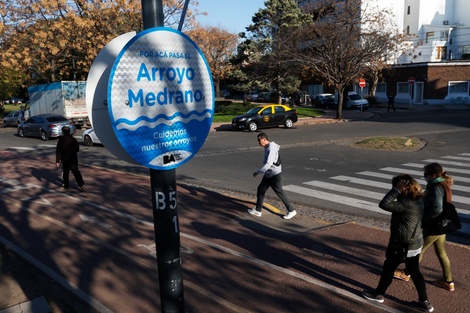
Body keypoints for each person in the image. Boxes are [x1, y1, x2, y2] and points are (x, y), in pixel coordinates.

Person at [362, 174, 434, 312]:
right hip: (415, 242)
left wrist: (396, 190)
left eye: (396, 185)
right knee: (414, 271)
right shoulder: (418, 199)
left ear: (403, 187)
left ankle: (378, 294)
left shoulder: (405, 202)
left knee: (389, 267)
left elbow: (384, 204)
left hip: (402, 244)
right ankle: (424, 302)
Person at [394, 163, 455, 292]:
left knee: (419, 249)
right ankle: (448, 281)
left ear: (433, 175)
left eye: (425, 175)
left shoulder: (436, 187)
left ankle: (406, 273)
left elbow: (437, 208)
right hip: (442, 225)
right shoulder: (443, 184)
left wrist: (423, 218)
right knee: (441, 252)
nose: (424, 177)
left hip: (434, 225)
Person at [247, 132, 297, 219]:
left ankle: (291, 210)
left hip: (274, 174)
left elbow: (268, 163)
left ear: (264, 139)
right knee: (261, 189)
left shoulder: (271, 148)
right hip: (269, 173)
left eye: (259, 140)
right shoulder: (268, 147)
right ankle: (258, 211)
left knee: (279, 192)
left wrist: (258, 171)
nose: (258, 142)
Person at [56, 126, 85, 192]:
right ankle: (81, 185)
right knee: (76, 172)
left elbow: (58, 151)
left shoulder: (61, 140)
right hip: (73, 159)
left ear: (62, 132)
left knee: (66, 173)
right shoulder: (73, 139)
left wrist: (58, 160)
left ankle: (66, 185)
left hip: (65, 159)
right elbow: (77, 149)